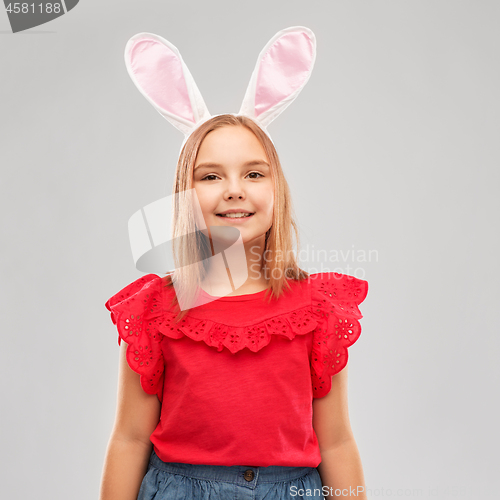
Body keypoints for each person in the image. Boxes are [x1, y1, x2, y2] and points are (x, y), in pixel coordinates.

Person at [100, 28, 369, 500]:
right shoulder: (156, 310)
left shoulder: (317, 309)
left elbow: (338, 441)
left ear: (276, 189)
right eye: (210, 176)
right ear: (186, 195)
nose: (233, 189)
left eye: (253, 173)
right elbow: (130, 438)